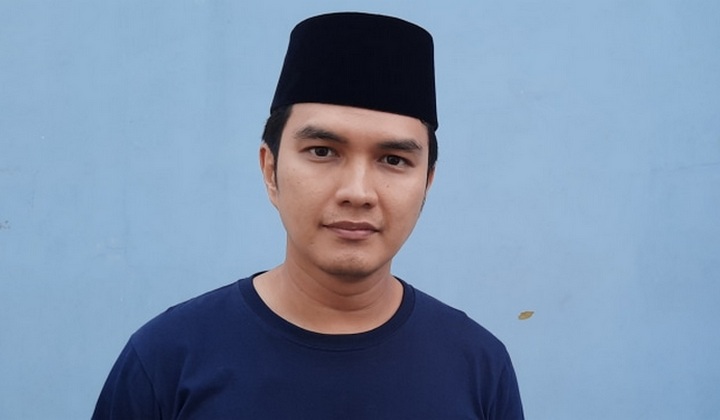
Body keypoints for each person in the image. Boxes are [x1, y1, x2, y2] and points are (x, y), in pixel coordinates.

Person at [93, 12, 524, 419]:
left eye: (393, 160)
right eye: (322, 151)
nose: (357, 192)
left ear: (427, 182)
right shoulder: (167, 359)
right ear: (270, 170)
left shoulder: (478, 367)